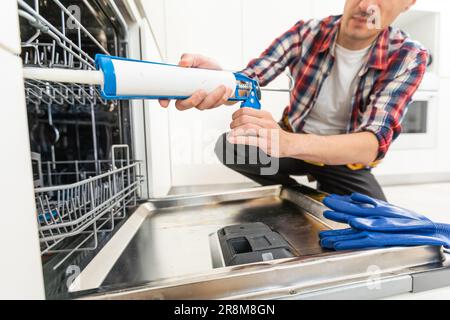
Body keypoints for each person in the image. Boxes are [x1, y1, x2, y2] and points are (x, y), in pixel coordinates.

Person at [159, 0, 428, 201]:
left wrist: (289, 144)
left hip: (343, 160)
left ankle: (314, 190)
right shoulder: (307, 32)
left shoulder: (409, 56)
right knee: (230, 146)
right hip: (291, 140)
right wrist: (220, 81)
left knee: (375, 218)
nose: (366, 5)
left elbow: (371, 144)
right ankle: (298, 196)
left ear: (408, 3)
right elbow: (252, 77)